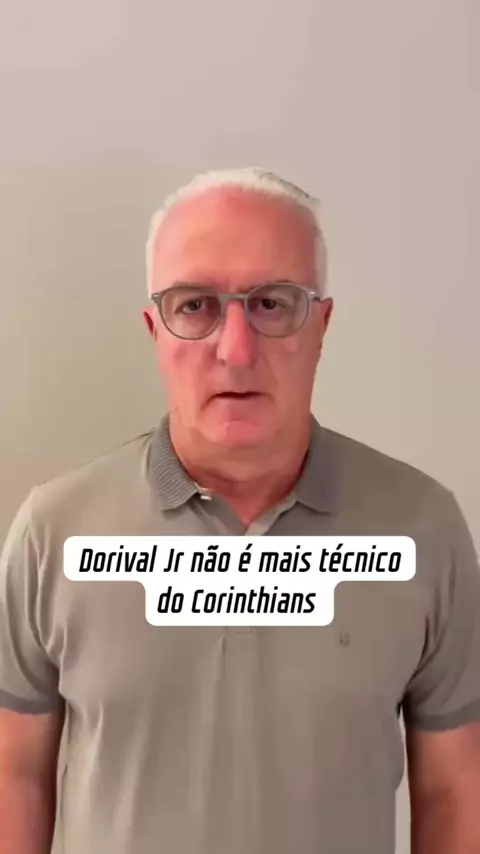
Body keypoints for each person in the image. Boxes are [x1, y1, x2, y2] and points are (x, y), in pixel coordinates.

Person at [0, 167, 479, 854]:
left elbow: (456, 789)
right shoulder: (53, 532)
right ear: (154, 331)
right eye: (195, 306)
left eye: (272, 304)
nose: (235, 348)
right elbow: (14, 775)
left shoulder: (423, 529)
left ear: (322, 325)